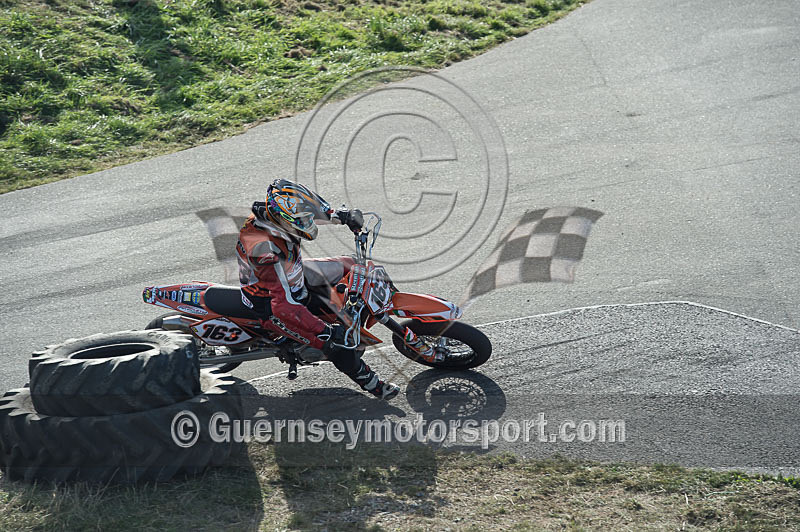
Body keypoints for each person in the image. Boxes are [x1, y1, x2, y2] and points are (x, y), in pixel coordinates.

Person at [236, 179, 401, 400]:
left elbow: (308, 210)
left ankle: (392, 301)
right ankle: (372, 384)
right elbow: (283, 306)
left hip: (293, 274)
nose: (309, 223)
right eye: (303, 221)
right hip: (270, 303)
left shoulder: (274, 212)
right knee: (337, 346)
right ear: (284, 221)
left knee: (354, 265)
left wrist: (341, 216)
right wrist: (327, 331)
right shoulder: (264, 250)